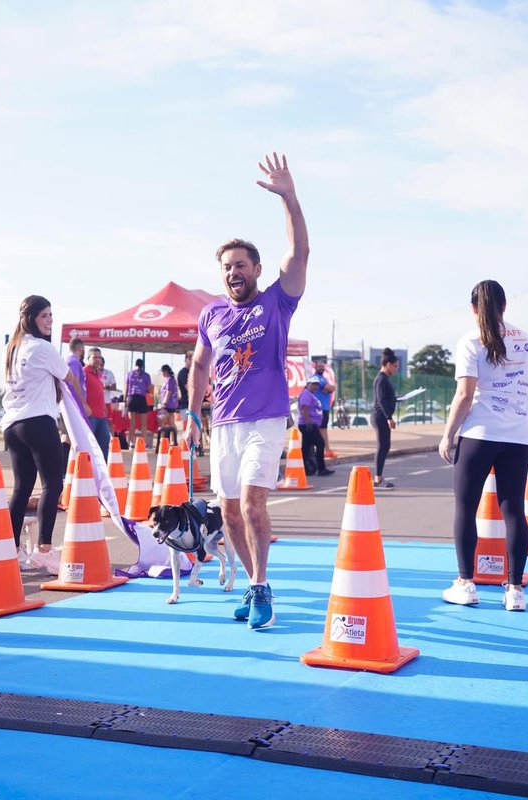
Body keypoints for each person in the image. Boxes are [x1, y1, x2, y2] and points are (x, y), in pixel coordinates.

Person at [185, 152, 308, 630]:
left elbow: (299, 255)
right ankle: (254, 581)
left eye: (240, 265)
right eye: (226, 267)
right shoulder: (211, 315)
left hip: (266, 419)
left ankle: (260, 587)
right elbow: (199, 363)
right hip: (224, 425)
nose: (232, 272)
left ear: (256, 270)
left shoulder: (277, 302)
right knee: (230, 513)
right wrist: (192, 413)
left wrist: (289, 199)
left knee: (254, 503)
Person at [437, 279, 528, 612]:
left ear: (473, 308)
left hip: (480, 434)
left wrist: (448, 434)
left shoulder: (470, 341)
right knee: (513, 511)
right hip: (518, 435)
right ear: (505, 305)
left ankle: (466, 583)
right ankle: (514, 590)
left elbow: (465, 395)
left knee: (466, 507)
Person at [0, 295, 67, 574]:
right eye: (44, 316)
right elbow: (66, 375)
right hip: (37, 420)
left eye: (51, 315)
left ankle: (12, 550)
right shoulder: (41, 348)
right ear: (31, 319)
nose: (50, 321)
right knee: (53, 484)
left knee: (21, 488)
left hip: (13, 424)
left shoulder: (12, 347)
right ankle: (44, 550)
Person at [372, 348, 399, 488]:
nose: (396, 369)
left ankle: (378, 477)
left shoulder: (384, 379)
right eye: (395, 366)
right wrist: (389, 417)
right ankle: (378, 478)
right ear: (388, 364)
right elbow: (381, 400)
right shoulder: (381, 379)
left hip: (383, 416)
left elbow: (387, 398)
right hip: (380, 416)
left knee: (385, 446)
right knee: (382, 446)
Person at [60, 337, 87, 467]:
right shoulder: (74, 362)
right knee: (69, 437)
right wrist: (83, 403)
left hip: (70, 403)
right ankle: (64, 468)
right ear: (80, 348)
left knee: (69, 436)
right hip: (73, 403)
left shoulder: (69, 360)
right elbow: (74, 381)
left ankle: (66, 467)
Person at [297, 375, 327, 475]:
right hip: (308, 424)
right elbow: (304, 407)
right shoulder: (306, 394)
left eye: (317, 385)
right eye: (314, 384)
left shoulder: (310, 394)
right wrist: (308, 422)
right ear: (308, 384)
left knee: (307, 447)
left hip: (310, 424)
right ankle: (321, 469)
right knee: (320, 444)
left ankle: (306, 468)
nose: (316, 387)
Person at [84, 347, 110, 461]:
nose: (98, 360)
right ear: (88, 358)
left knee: (105, 440)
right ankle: (87, 468)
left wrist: (104, 406)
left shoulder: (99, 374)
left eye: (99, 357)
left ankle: (102, 468)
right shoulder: (83, 372)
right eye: (95, 357)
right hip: (90, 415)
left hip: (101, 415)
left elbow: (100, 392)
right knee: (89, 443)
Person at [312, 358, 335, 455]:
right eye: (319, 366)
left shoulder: (323, 378)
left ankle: (326, 450)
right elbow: (330, 388)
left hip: (324, 408)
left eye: (323, 367)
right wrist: (329, 388)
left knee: (323, 429)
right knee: (321, 430)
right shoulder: (318, 378)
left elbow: (331, 388)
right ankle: (325, 450)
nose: (321, 368)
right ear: (315, 367)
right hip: (320, 409)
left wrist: (330, 388)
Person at [125, 358, 150, 445]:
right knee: (144, 423)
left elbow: (126, 388)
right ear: (143, 366)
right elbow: (149, 389)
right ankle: (144, 443)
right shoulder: (146, 375)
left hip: (131, 398)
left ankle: (131, 443)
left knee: (132, 422)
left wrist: (125, 401)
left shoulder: (130, 374)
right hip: (141, 398)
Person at [157, 364, 179, 447]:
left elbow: (168, 392)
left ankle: (163, 440)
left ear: (165, 371)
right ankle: (173, 441)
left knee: (162, 421)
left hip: (169, 404)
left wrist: (164, 403)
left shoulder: (170, 380)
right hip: (171, 404)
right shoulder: (170, 380)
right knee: (171, 422)